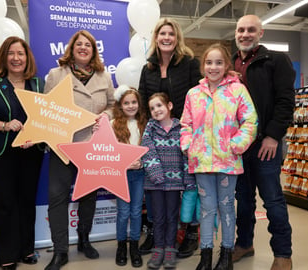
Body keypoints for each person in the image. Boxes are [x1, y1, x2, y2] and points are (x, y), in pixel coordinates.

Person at [180, 43, 258, 270]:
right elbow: (186, 123)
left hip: (227, 161)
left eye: (218, 62)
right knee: (206, 209)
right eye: (209, 62)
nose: (213, 67)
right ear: (203, 64)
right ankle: (205, 255)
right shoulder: (193, 94)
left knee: (225, 207)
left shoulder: (237, 90)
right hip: (201, 162)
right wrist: (188, 145)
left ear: (226, 65)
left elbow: (250, 121)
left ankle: (226, 255)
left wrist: (236, 144)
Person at [0, 36, 44, 270]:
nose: (16, 58)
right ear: (4, 57)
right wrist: (3, 125)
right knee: (5, 202)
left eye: (20, 53)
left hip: (31, 151)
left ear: (27, 57)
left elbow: (46, 118)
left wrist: (34, 135)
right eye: (11, 53)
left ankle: (27, 249)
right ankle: (6, 254)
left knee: (26, 201)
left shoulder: (38, 85)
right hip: (1, 152)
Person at [43, 30, 114, 270]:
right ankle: (60, 251)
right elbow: (46, 109)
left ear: (94, 51)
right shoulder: (56, 75)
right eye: (79, 44)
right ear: (72, 48)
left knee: (88, 195)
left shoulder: (104, 77)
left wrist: (107, 114)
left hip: (91, 146)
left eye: (88, 45)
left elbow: (113, 105)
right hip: (62, 145)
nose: (83, 48)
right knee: (57, 197)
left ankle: (85, 240)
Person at [232, 15, 295, 270]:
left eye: (250, 30)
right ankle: (244, 243)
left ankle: (283, 254)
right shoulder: (231, 62)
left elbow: (285, 101)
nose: (245, 34)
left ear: (261, 33)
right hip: (239, 146)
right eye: (240, 30)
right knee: (244, 200)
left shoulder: (276, 60)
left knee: (272, 200)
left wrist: (273, 136)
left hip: (265, 144)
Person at [138, 17, 203, 258]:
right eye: (162, 33)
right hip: (157, 136)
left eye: (171, 34)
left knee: (189, 187)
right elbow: (144, 102)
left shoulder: (189, 63)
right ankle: (156, 232)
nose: (167, 38)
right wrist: (145, 137)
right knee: (156, 187)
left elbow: (199, 96)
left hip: (185, 133)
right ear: (156, 37)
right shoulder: (148, 68)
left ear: (177, 38)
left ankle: (191, 233)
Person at [141, 93, 196, 269]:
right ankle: (158, 249)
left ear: (169, 106)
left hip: (174, 183)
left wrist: (188, 180)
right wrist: (156, 174)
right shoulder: (150, 128)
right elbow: (147, 151)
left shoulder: (181, 128)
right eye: (152, 108)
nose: (156, 110)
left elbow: (186, 155)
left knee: (173, 217)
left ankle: (170, 249)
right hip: (155, 182)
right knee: (158, 217)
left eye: (159, 106)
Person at [110, 85, 148, 268]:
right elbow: (109, 151)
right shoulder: (113, 125)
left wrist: (142, 162)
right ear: (120, 105)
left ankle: (134, 245)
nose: (131, 106)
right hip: (121, 175)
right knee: (123, 212)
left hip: (139, 174)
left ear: (139, 104)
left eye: (134, 102)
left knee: (135, 211)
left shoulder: (145, 124)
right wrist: (123, 163)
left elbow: (149, 149)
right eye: (127, 103)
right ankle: (121, 246)